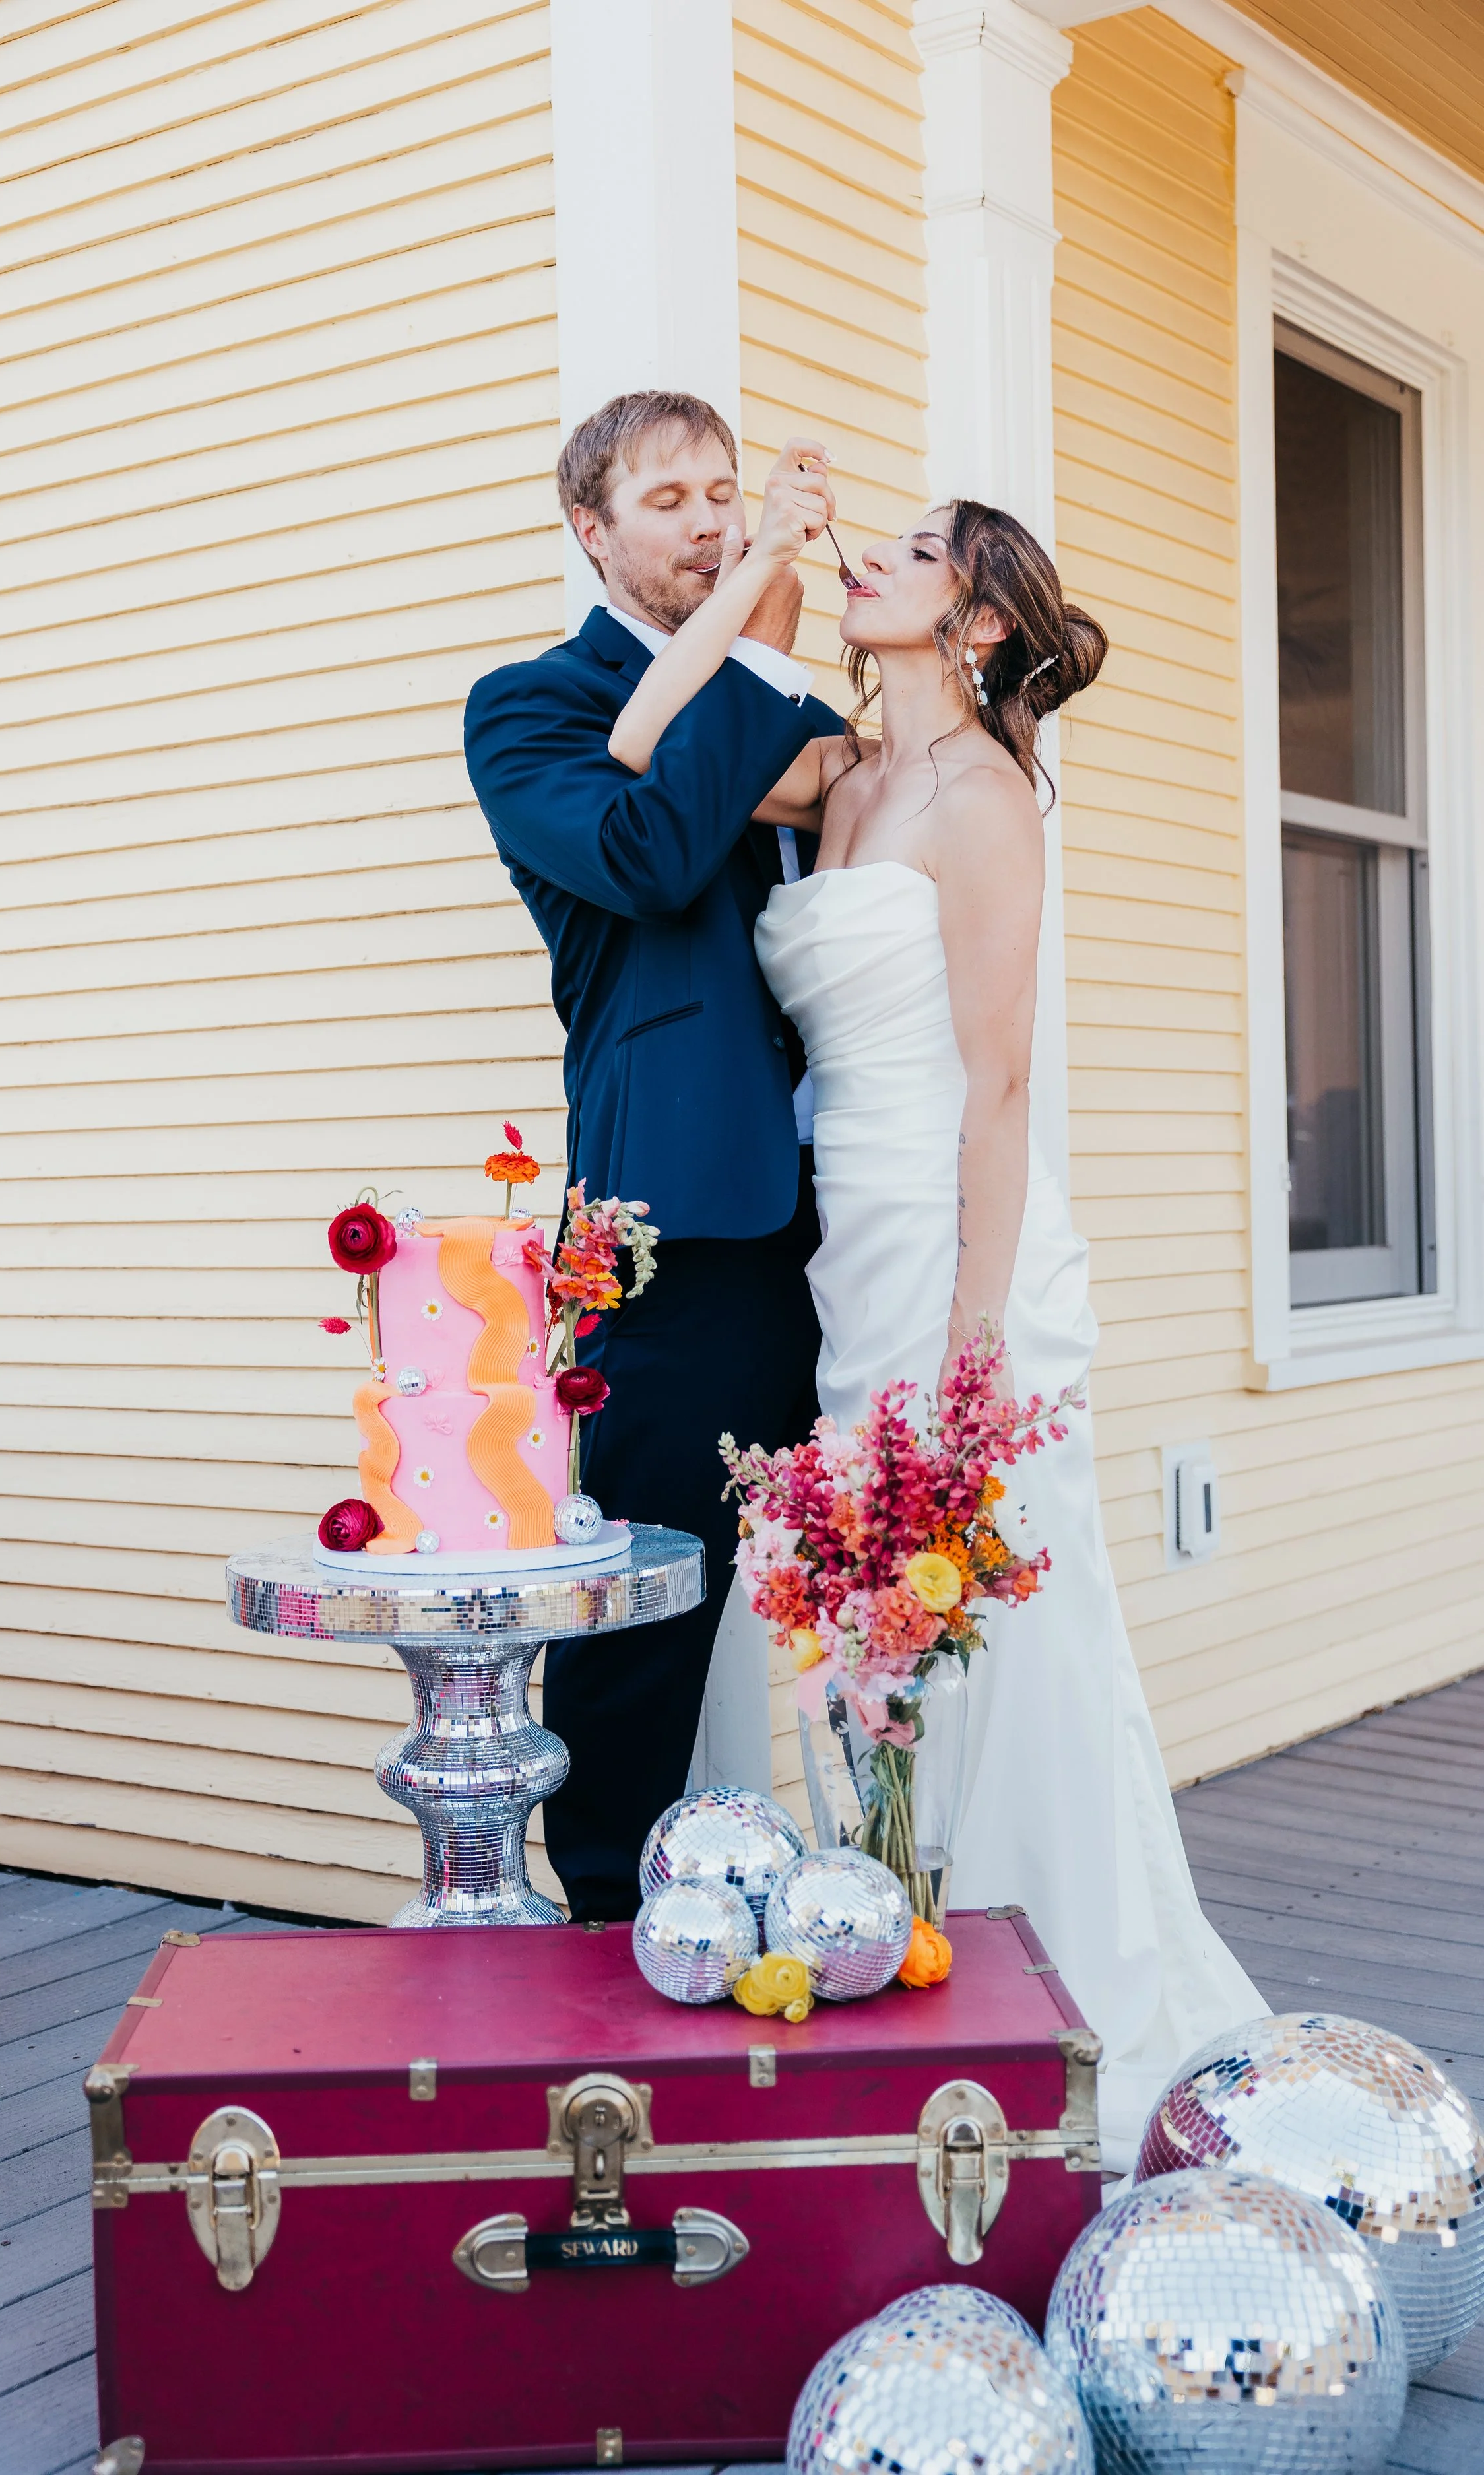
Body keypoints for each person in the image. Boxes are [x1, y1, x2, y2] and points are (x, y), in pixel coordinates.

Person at [610, 488, 1266, 2167]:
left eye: (910, 555)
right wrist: (757, 560)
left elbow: (998, 1088)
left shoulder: (983, 800)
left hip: (957, 1241)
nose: (868, 561)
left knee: (993, 1609)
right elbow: (635, 739)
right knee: (874, 1631)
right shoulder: (837, 769)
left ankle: (1044, 1983)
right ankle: (903, 1944)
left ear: (976, 626)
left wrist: (973, 1351)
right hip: (846, 1252)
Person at [463, 392, 847, 1923]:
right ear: (591, 529)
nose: (708, 522)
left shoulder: (771, 713)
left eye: (724, 495)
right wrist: (758, 638)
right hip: (680, 1213)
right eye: (670, 499)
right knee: (642, 1601)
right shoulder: (528, 709)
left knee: (887, 1564)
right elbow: (643, 854)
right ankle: (608, 1907)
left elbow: (855, 799)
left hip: (852, 1191)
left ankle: (859, 1878)